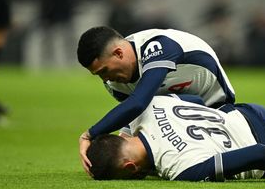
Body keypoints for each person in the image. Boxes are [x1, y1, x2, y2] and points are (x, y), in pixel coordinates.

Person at [77, 26, 235, 173]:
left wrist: (89, 135)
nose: (105, 79)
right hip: (179, 113)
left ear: (119, 53)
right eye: (98, 75)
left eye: (104, 71)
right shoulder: (114, 84)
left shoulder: (158, 46)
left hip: (217, 109)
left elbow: (139, 103)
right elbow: (135, 116)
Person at [86, 95, 265, 181]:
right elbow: (196, 101)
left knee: (260, 169)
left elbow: (260, 153)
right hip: (249, 111)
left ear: (130, 168)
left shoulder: (182, 169)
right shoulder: (145, 107)